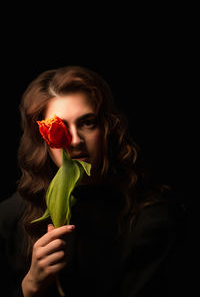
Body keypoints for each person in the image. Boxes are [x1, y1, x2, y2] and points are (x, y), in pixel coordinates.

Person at [0, 66, 186, 297]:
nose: (76, 141)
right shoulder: (10, 216)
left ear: (107, 127)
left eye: (88, 123)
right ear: (43, 139)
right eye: (60, 127)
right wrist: (30, 287)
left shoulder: (154, 218)